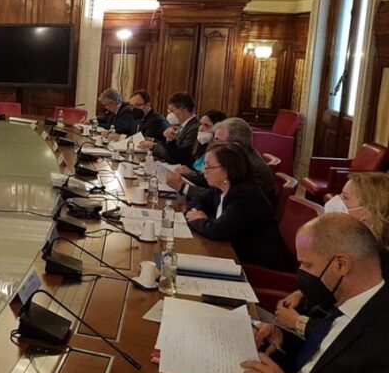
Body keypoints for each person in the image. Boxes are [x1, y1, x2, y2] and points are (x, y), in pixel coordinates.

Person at [242, 214, 389, 373]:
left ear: (341, 264)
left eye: (307, 265)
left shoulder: (381, 340)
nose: (301, 272)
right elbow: (323, 349)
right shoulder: (336, 299)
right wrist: (283, 339)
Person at [275, 172, 389, 331]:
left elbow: (352, 329)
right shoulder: (347, 240)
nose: (336, 200)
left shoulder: (377, 263)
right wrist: (302, 293)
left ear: (367, 212)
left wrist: (298, 322)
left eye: (345, 198)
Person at [185, 143, 294, 271]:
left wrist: (199, 219)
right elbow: (198, 199)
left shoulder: (245, 195)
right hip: (236, 254)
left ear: (227, 170)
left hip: (262, 268)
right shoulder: (221, 187)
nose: (203, 171)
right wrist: (198, 213)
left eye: (209, 166)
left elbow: (218, 231)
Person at [166, 117, 276, 204]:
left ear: (234, 144)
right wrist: (189, 175)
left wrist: (183, 187)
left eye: (218, 140)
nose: (213, 144)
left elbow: (221, 198)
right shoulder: (240, 156)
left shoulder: (249, 167)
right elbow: (212, 186)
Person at [137, 92, 199, 166]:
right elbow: (171, 148)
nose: (169, 114)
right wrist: (154, 141)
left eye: (171, 111)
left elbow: (177, 156)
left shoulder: (194, 128)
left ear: (182, 110)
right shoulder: (182, 125)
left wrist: (153, 146)